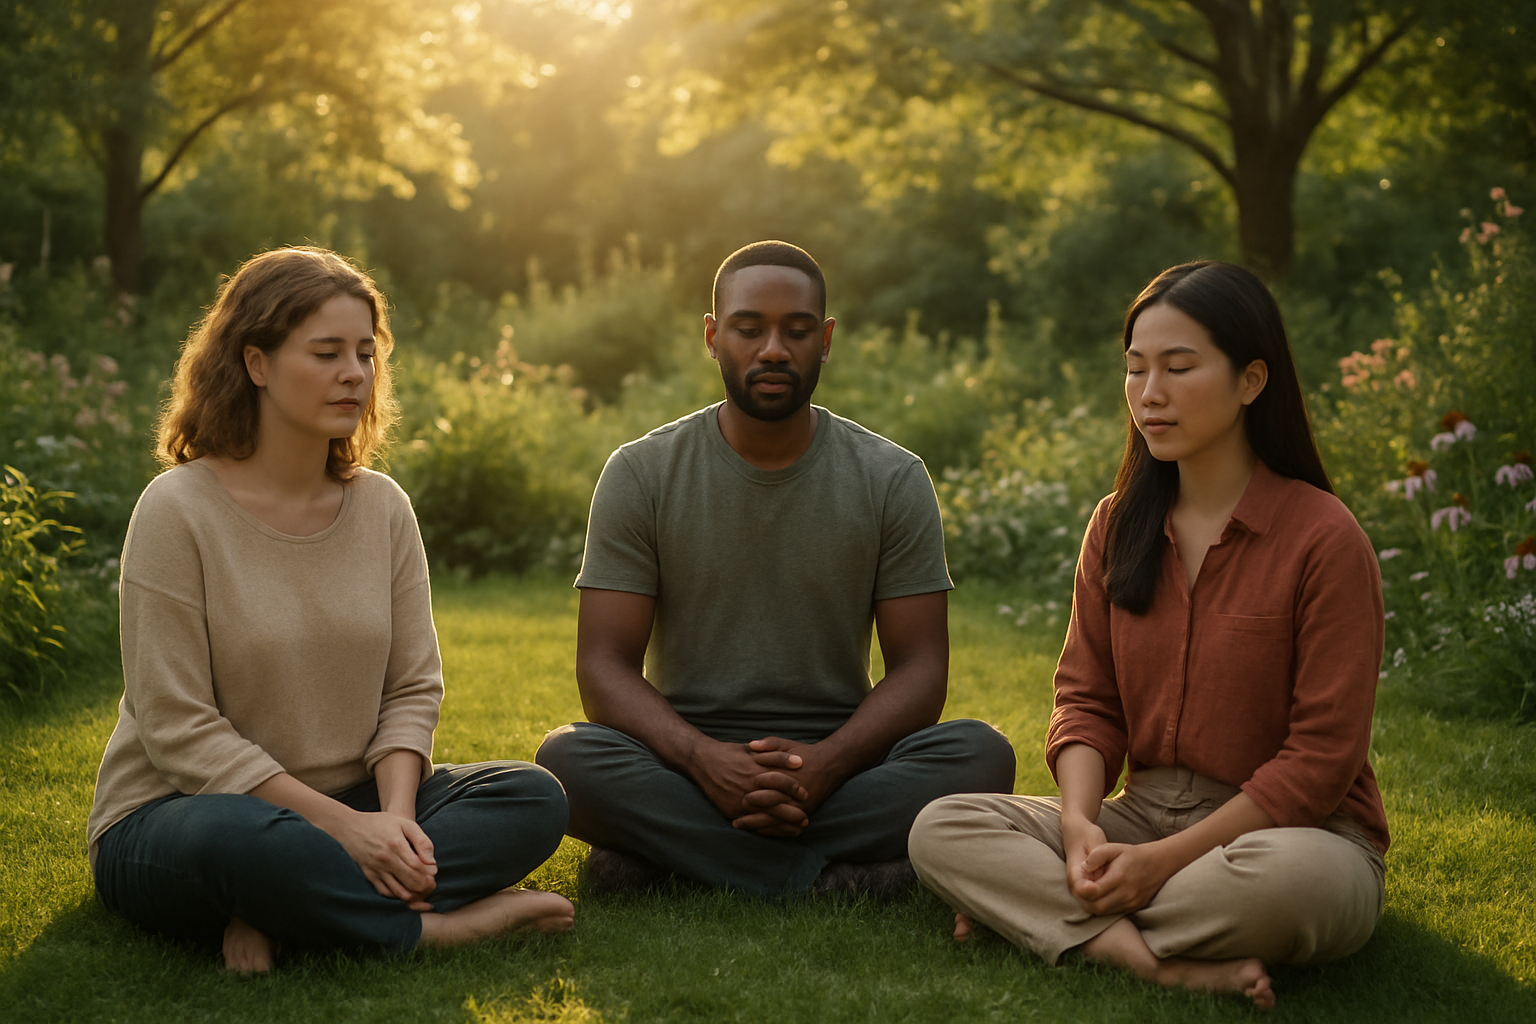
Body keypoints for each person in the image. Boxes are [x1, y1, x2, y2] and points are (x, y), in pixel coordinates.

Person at [909, 261, 1390, 1009]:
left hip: (1290, 834)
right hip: (1137, 815)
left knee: (1296, 884)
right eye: (1135, 369)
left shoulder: (1324, 539)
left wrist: (1161, 863)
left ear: (1252, 380)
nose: (1149, 393)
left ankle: (1043, 918)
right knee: (944, 826)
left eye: (1178, 367)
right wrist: (1075, 829)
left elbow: (1320, 761)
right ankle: (1148, 958)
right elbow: (1085, 701)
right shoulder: (1116, 523)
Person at [87, 247, 574, 972]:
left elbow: (412, 688)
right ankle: (431, 928)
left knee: (533, 797)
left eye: (365, 352)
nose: (355, 372)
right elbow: (175, 726)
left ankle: (283, 915)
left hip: (358, 798)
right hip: (188, 811)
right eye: (326, 352)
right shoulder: (177, 509)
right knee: (244, 845)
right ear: (256, 363)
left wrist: (395, 827)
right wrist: (346, 831)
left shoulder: (382, 508)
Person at [535, 240, 1016, 899]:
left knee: (980, 755)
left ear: (826, 340)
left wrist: (826, 765)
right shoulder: (640, 473)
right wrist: (704, 760)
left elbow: (921, 670)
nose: (772, 350)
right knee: (567, 760)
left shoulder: (891, 478)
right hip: (683, 761)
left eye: (796, 331)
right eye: (748, 327)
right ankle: (828, 880)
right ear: (712, 336)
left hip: (841, 766)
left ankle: (680, 860)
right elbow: (603, 669)